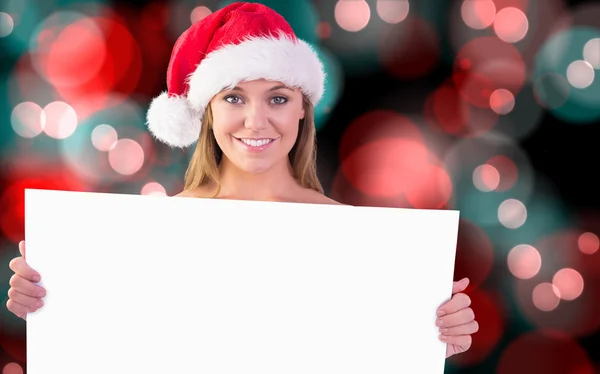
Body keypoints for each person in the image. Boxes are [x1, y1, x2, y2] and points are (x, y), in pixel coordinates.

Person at [6, 1, 478, 359]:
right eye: (234, 98)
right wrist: (51, 305)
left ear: (302, 112)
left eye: (277, 99)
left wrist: (435, 334)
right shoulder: (140, 242)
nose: (256, 121)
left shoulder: (367, 251)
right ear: (207, 110)